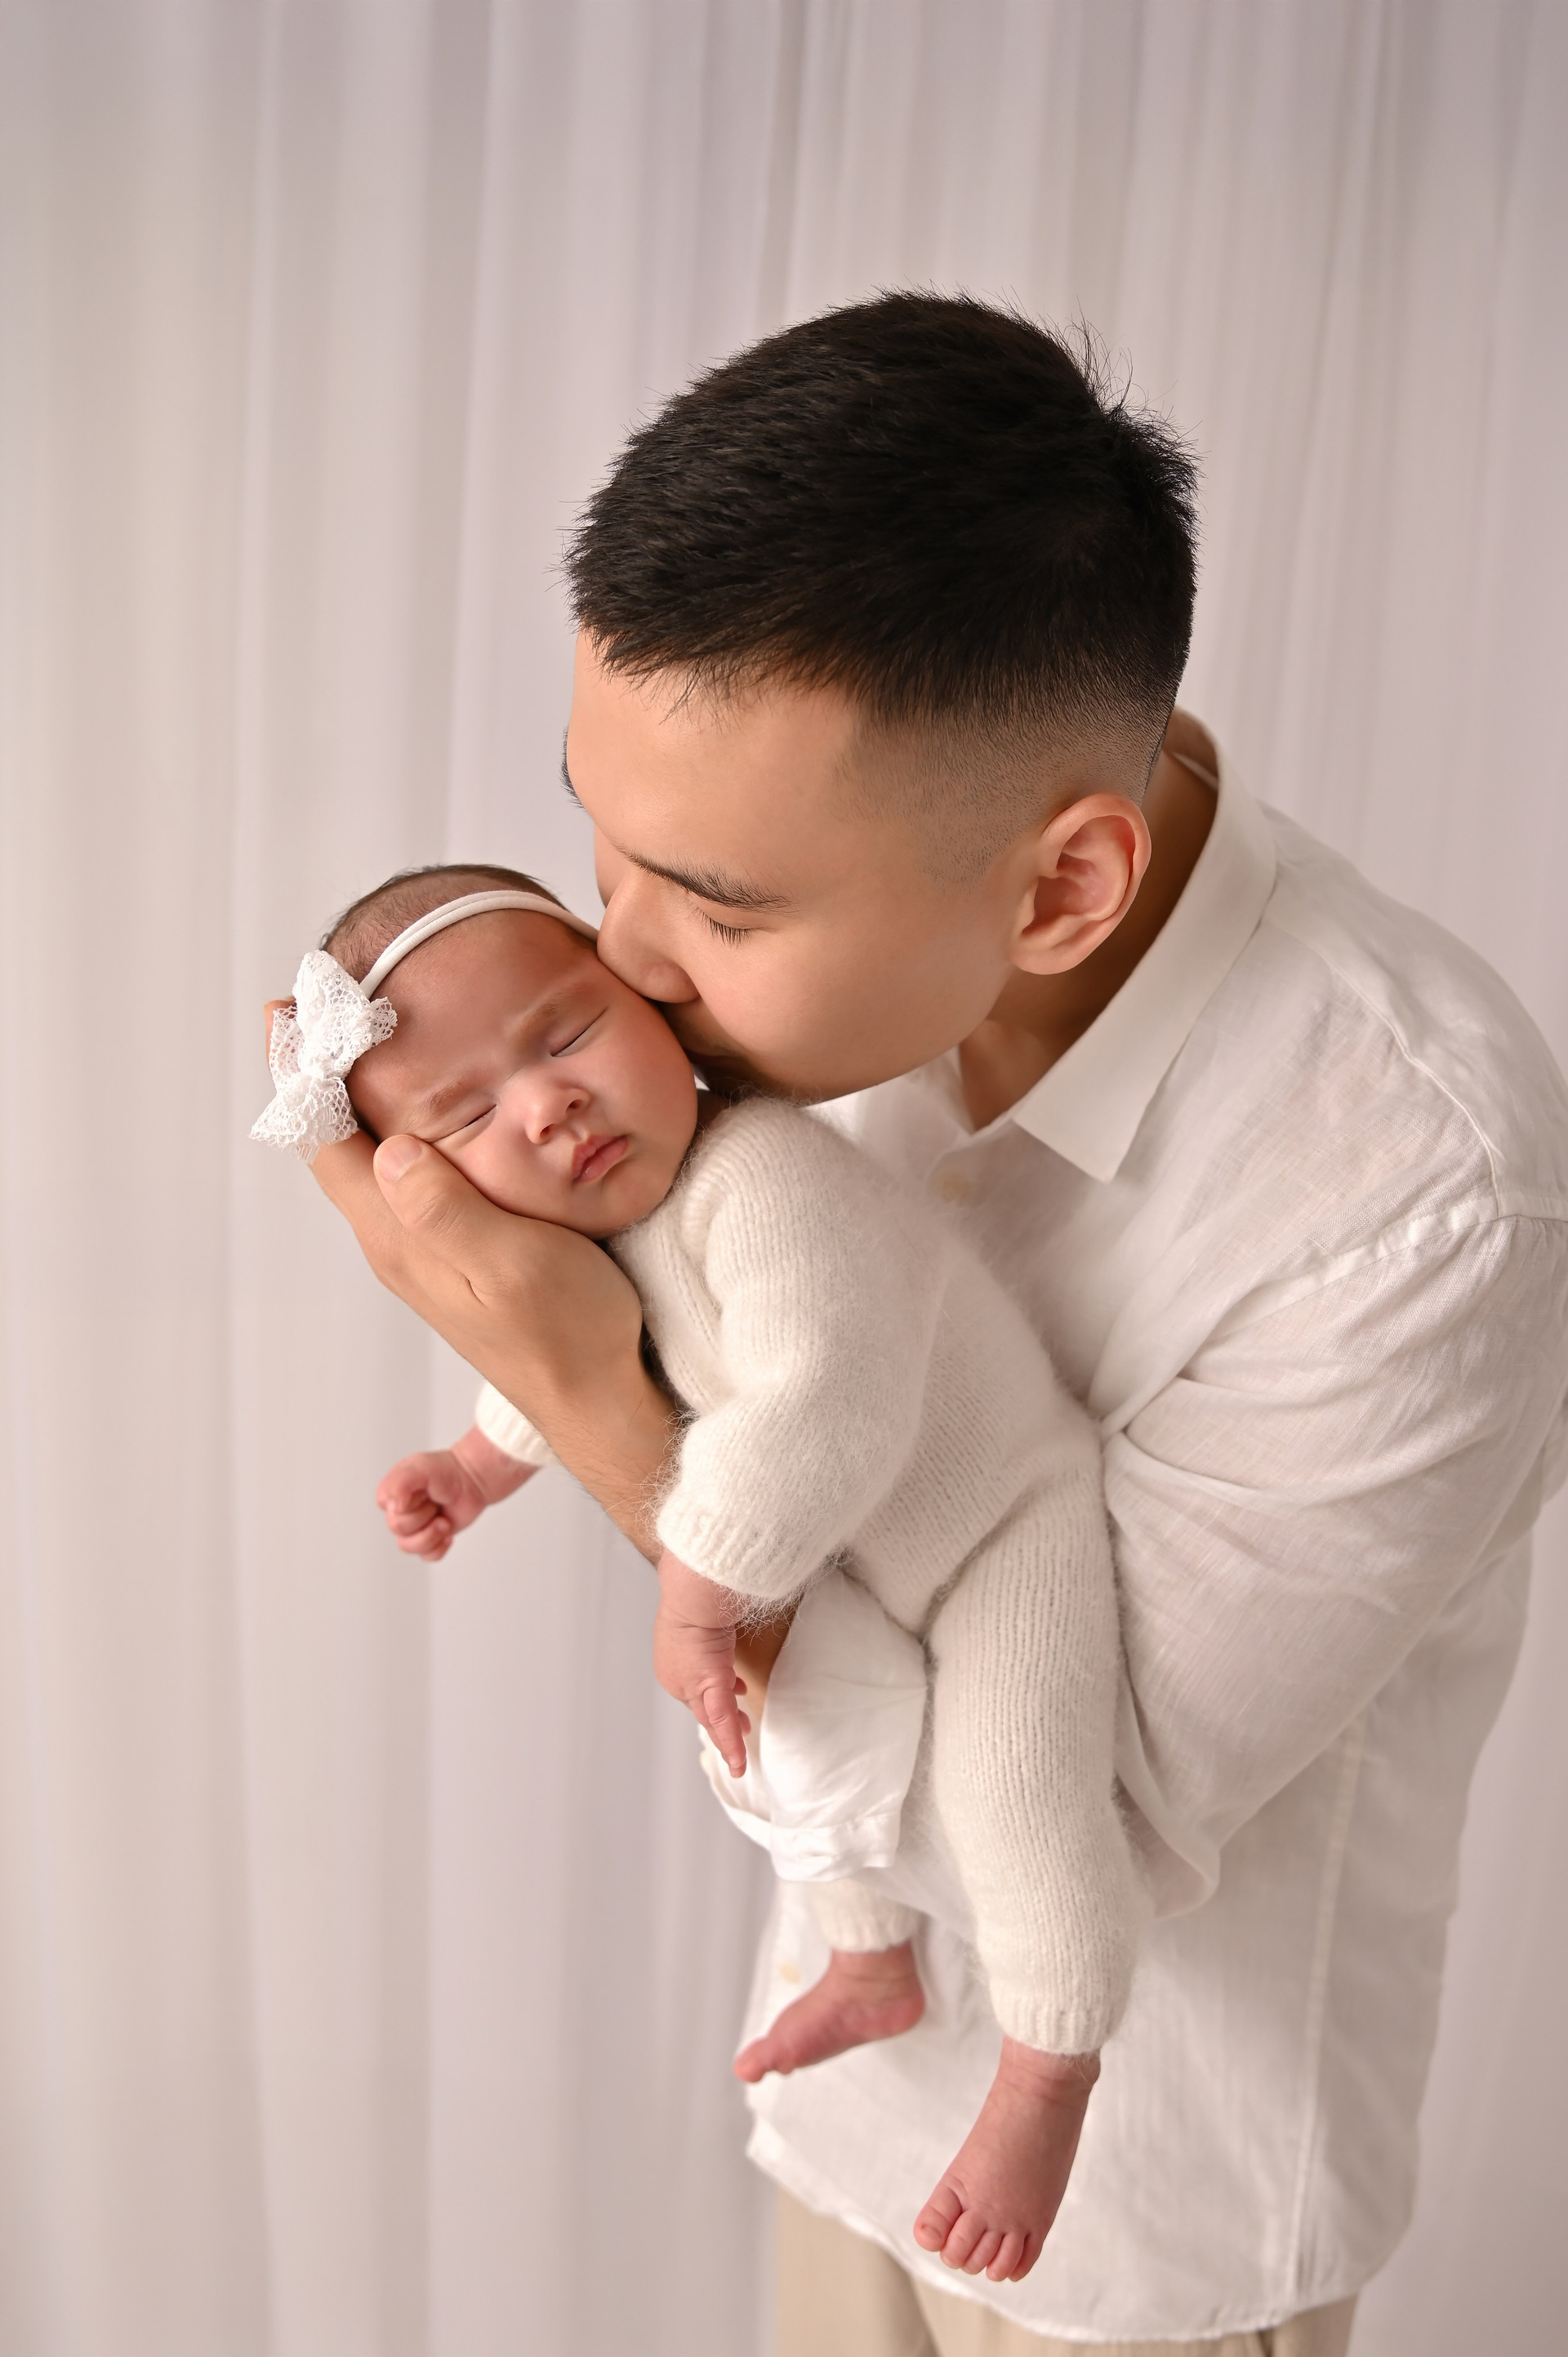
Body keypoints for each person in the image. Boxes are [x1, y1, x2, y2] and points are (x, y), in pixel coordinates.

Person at [300, 296, 1568, 2353]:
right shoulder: (757, 1009)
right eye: (602, 844)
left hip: (1142, 2236)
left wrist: (585, 1400)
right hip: (844, 2113)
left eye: (717, 903)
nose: (622, 957)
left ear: (1061, 891)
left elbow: (1064, 1820)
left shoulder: (1418, 1191)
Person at [256, 862, 1143, 2283]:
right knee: (781, 1745)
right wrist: (478, 1464)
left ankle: (1048, 2072)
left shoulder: (762, 1176)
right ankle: (869, 1958)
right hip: (840, 1547)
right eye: (467, 1116)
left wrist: (698, 1587)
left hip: (993, 1531)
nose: (547, 1107)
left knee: (1015, 1784)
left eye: (565, 1034)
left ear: (650, 999)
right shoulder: (606, 1222)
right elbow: (592, 1351)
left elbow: (828, 1397)